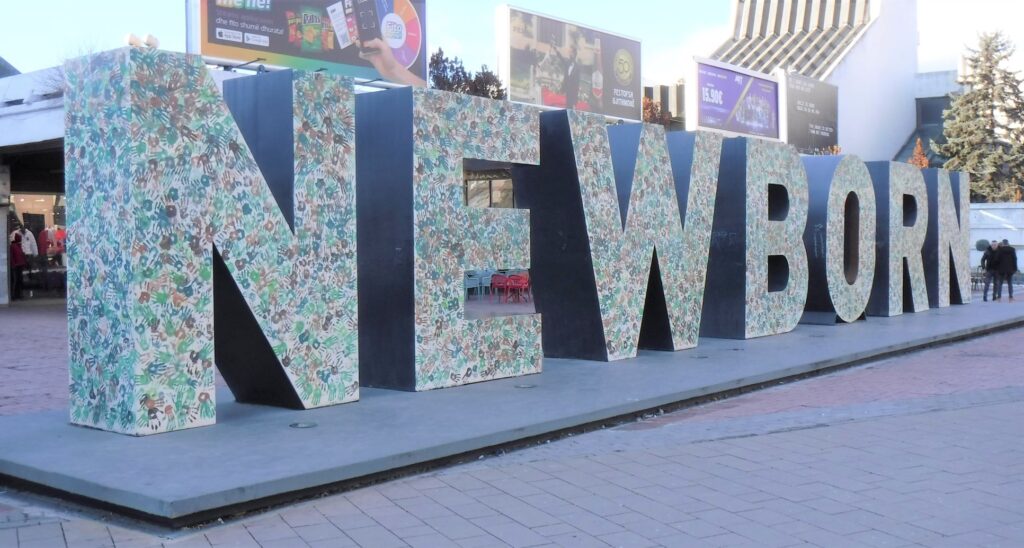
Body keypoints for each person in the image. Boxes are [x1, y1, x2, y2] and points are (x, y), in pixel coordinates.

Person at [9, 233, 27, 300]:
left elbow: (21, 256)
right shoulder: (13, 246)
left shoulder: (18, 245)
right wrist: (13, 264)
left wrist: (24, 262)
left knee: (19, 280)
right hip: (16, 266)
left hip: (19, 265)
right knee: (15, 281)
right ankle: (14, 295)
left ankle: (18, 294)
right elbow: (12, 256)